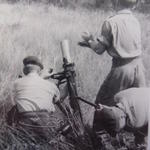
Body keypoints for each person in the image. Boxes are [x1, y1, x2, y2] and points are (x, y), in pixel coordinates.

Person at [79, 0, 146, 106]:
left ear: (116, 2)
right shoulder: (135, 21)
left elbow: (99, 50)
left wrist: (89, 40)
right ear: (133, 5)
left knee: (104, 105)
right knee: (138, 106)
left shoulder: (110, 22)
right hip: (139, 68)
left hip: (121, 69)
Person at [7, 56, 63, 142]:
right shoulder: (51, 85)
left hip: (24, 122)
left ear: (25, 69)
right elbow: (58, 100)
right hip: (45, 124)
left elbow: (12, 102)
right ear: (39, 70)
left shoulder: (15, 83)